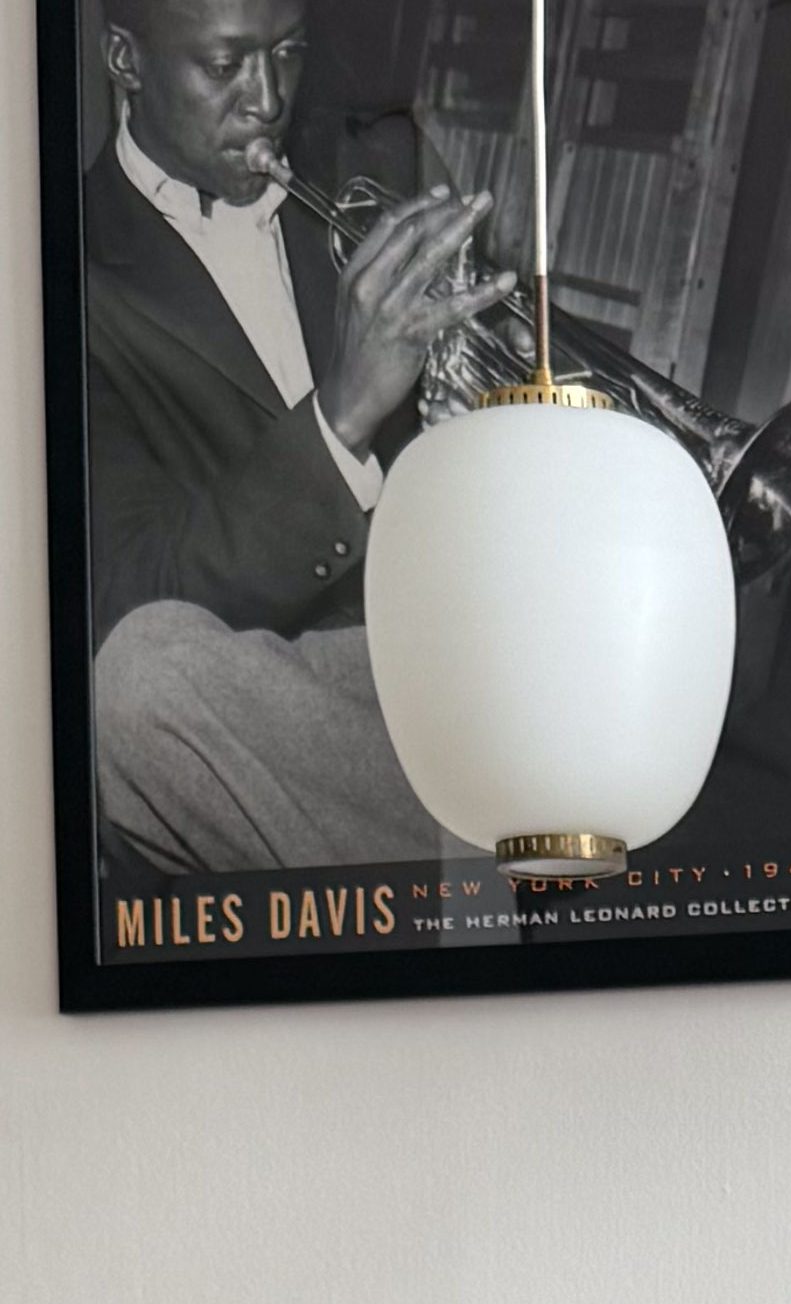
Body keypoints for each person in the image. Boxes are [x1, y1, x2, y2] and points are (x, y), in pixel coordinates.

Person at [81, 3, 497, 875]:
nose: (266, 99)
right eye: (225, 64)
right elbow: (137, 584)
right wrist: (342, 415)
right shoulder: (72, 270)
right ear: (125, 59)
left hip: (432, 635)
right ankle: (495, 867)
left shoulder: (362, 175)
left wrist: (482, 420)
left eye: (287, 54)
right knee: (135, 683)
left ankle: (481, 860)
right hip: (279, 681)